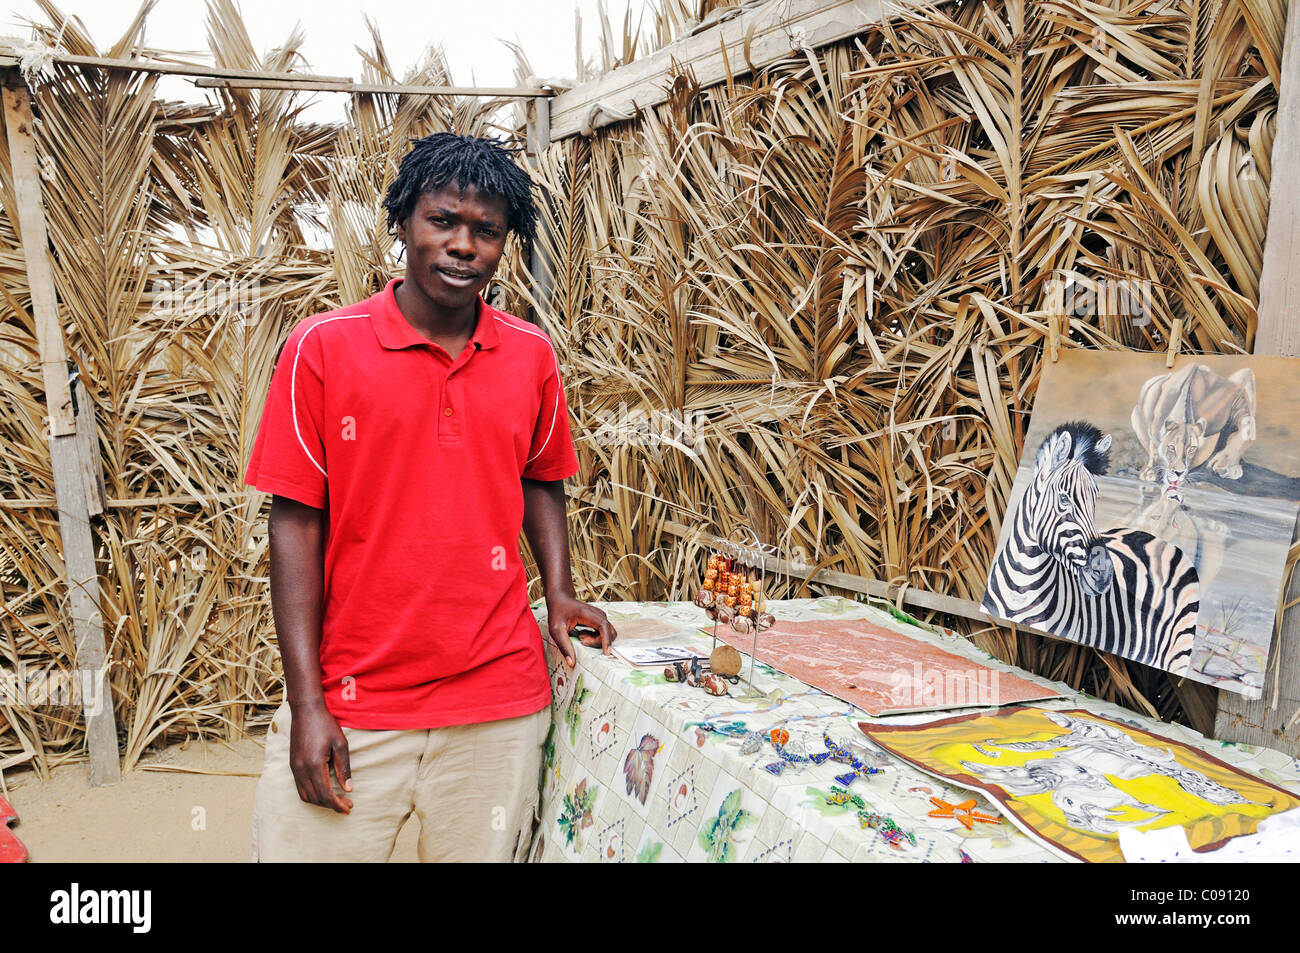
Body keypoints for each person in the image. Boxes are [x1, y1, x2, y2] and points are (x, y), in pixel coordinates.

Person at [244, 132, 616, 862]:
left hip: (497, 702)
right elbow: (294, 522)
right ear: (404, 223)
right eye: (443, 221)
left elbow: (543, 476)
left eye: (486, 231)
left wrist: (562, 590)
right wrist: (306, 703)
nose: (463, 245)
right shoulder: (321, 348)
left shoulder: (530, 356)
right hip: (355, 702)